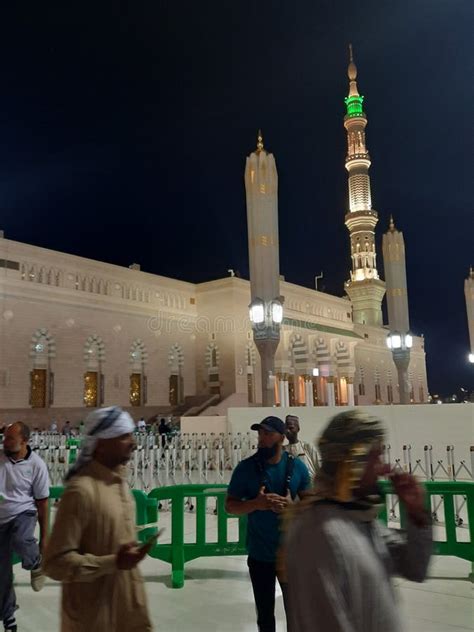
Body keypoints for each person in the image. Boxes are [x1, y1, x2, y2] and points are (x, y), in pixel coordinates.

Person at [286, 409, 432, 632]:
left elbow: (415, 569)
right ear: (352, 463)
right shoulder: (318, 533)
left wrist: (416, 514)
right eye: (376, 459)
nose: (384, 469)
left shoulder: (362, 519)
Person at [43, 406, 153, 632]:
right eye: (124, 436)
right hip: (93, 618)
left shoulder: (120, 485)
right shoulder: (81, 491)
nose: (132, 442)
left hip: (129, 611)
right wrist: (112, 563)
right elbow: (54, 563)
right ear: (101, 444)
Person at [225, 416, 310, 632]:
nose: (262, 439)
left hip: (293, 555)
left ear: (281, 438)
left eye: (268, 434)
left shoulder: (298, 467)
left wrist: (293, 508)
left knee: (297, 614)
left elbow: (311, 508)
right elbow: (230, 506)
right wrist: (256, 504)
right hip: (260, 555)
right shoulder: (245, 469)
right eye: (260, 434)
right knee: (264, 616)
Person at [0, 422, 50, 632]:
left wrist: (45, 540)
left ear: (25, 441)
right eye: (4, 438)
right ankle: (7, 614)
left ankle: (36, 562)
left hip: (24, 513)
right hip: (1, 519)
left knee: (21, 539)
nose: (5, 442)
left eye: (10, 439)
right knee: (1, 574)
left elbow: (42, 503)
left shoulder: (37, 465)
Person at [284, 414, 318, 479]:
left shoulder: (307, 447)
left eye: (291, 428)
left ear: (298, 429)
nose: (288, 431)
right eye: (286, 428)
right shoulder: (283, 450)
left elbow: (319, 468)